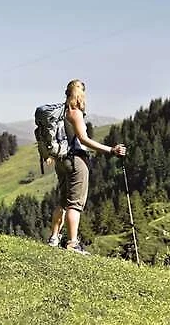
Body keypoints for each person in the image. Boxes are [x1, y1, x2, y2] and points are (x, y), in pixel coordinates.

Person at [47, 79, 127, 254]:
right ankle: (72, 243)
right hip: (76, 159)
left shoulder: (60, 113)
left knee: (62, 202)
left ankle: (54, 238)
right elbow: (83, 140)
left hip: (61, 160)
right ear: (80, 95)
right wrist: (111, 150)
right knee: (74, 204)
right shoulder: (75, 113)